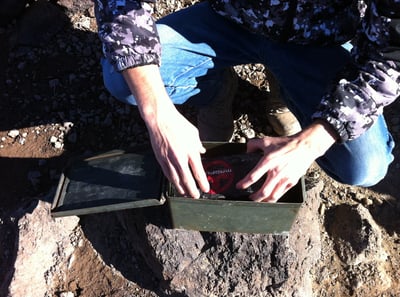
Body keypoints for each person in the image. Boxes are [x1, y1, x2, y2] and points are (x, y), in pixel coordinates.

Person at [94, 0, 400, 202]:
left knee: (365, 166)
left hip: (320, 40)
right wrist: (158, 111)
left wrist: (311, 141)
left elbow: (390, 57)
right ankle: (216, 92)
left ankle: (285, 93)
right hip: (230, 18)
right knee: (124, 81)